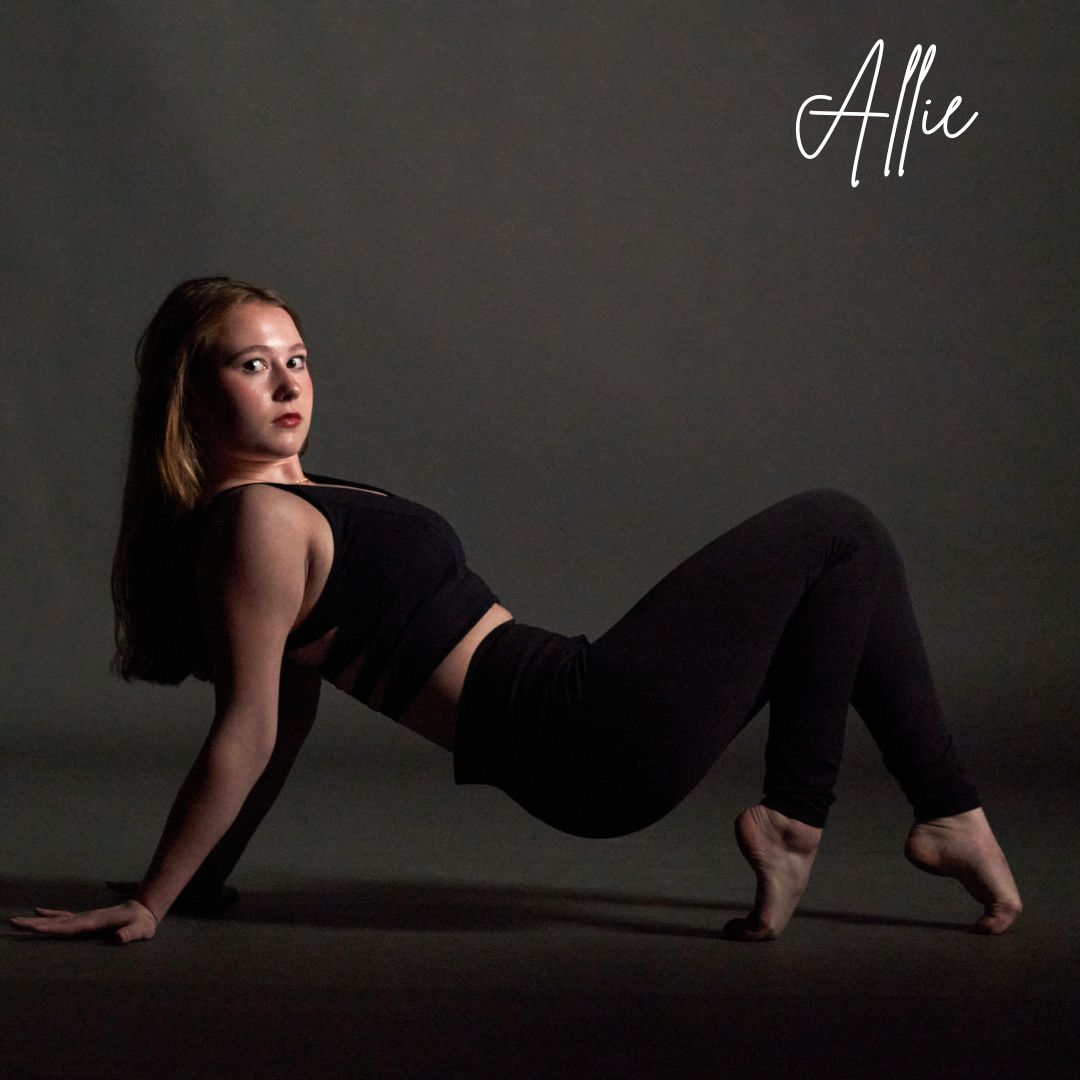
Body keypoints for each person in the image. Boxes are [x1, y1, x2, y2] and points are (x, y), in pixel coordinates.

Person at [9, 276, 1022, 945]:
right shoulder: (257, 525)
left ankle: (901, 816)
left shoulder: (299, 505)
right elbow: (251, 728)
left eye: (298, 358)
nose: (287, 382)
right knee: (838, 528)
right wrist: (154, 899)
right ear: (191, 398)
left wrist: (201, 885)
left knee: (842, 570)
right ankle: (841, 815)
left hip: (577, 732)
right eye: (251, 363)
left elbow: (289, 719)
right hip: (578, 727)